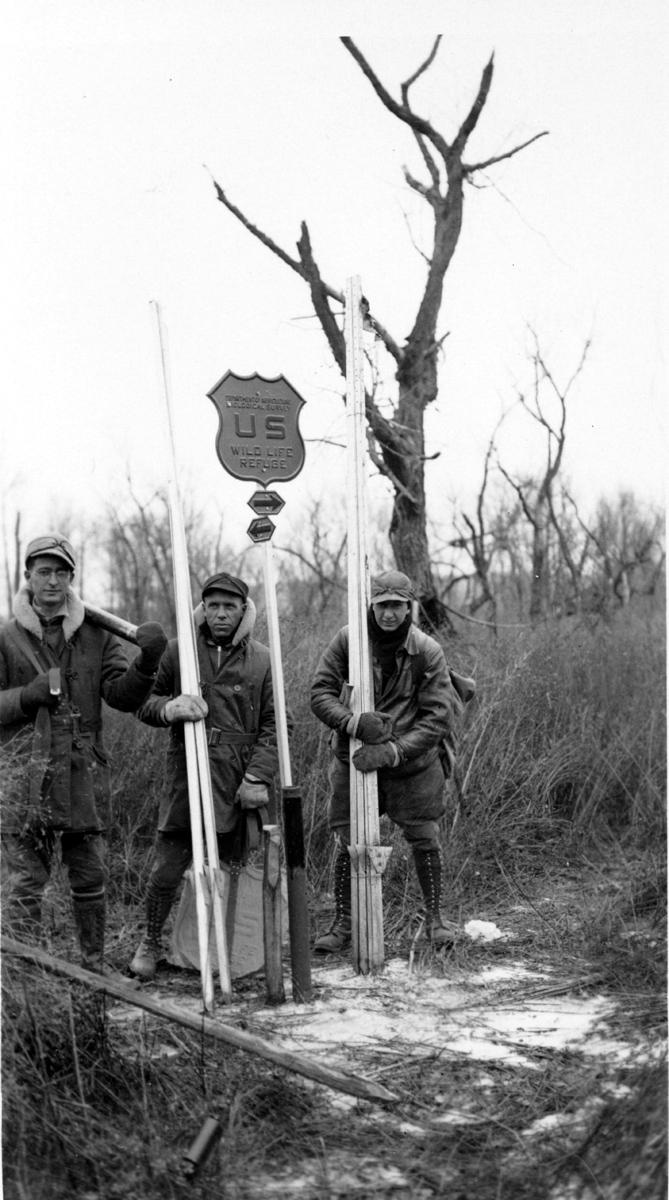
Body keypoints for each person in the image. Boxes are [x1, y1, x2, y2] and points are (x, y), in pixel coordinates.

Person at [0, 533, 168, 973]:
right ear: (28, 577)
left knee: (90, 877)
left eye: (60, 572)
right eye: (43, 571)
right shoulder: (6, 637)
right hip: (25, 777)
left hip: (82, 774)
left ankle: (94, 967)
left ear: (72, 577)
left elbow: (122, 696)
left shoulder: (96, 633)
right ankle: (25, 975)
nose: (52, 580)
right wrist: (25, 697)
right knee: (25, 884)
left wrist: (147, 664)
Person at [311, 569, 472, 952]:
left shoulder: (427, 649)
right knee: (350, 840)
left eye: (398, 606)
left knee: (424, 837)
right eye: (383, 605)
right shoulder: (348, 640)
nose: (389, 614)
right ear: (371, 604)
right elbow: (319, 693)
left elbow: (437, 718)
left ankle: (435, 920)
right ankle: (344, 923)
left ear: (409, 606)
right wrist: (352, 723)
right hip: (355, 756)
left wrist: (394, 750)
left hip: (412, 766)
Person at [130, 571, 278, 980]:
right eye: (213, 605)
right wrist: (170, 708)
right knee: (165, 870)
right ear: (202, 609)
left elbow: (276, 725)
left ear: (244, 611)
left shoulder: (263, 658)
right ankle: (151, 941)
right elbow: (143, 702)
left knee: (230, 868)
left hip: (236, 780)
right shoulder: (179, 653)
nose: (220, 614)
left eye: (229, 606)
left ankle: (223, 946)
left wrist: (257, 778)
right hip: (186, 776)